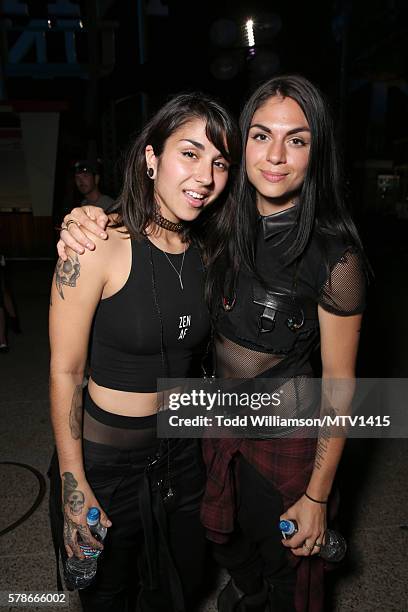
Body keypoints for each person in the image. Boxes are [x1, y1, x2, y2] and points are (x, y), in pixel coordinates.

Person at [58, 75, 367, 612]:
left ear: (318, 152)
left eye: (297, 139)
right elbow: (68, 367)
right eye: (260, 136)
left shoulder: (322, 256)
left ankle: (307, 545)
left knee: (244, 574)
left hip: (262, 430)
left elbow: (342, 382)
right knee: (207, 543)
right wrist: (88, 217)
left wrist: (318, 495)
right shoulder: (221, 232)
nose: (275, 155)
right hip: (195, 429)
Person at [49, 92, 240, 612]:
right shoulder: (97, 243)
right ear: (151, 158)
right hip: (107, 459)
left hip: (182, 453)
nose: (205, 175)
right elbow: (65, 371)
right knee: (107, 594)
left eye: (220, 162)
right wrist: (75, 485)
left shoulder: (212, 250)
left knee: (180, 582)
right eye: (190, 153)